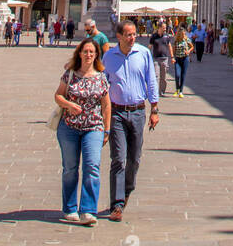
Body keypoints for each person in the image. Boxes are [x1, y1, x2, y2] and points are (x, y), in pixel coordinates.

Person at [102, 20, 160, 221]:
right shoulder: (108, 57)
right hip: (116, 112)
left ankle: (127, 190)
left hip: (137, 112)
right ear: (119, 36)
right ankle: (116, 205)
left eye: (134, 34)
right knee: (118, 158)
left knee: (134, 159)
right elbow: (103, 85)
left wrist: (154, 108)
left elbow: (151, 80)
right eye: (128, 34)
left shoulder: (143, 53)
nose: (132, 37)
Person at [54, 37, 111, 225]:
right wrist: (69, 104)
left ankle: (88, 210)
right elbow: (58, 95)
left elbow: (106, 105)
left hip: (93, 127)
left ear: (96, 56)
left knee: (92, 166)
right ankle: (70, 208)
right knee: (70, 168)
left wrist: (107, 129)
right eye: (85, 51)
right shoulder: (70, 73)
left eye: (91, 52)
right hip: (69, 127)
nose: (88, 55)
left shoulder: (101, 76)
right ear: (79, 53)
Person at [149, 20, 174, 96]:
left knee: (163, 77)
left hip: (164, 59)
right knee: (156, 76)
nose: (165, 29)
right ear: (159, 28)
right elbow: (149, 47)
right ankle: (155, 92)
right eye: (163, 28)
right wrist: (147, 56)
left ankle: (162, 92)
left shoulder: (166, 36)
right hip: (156, 59)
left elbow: (169, 46)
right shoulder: (154, 36)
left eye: (165, 28)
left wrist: (172, 57)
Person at [173, 25, 193, 96]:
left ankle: (181, 91)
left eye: (184, 33)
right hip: (178, 59)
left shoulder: (186, 39)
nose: (183, 34)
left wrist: (188, 51)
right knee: (177, 75)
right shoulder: (176, 40)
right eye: (181, 33)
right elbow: (173, 49)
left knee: (183, 75)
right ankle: (177, 89)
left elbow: (192, 46)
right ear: (179, 33)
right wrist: (173, 57)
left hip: (185, 59)